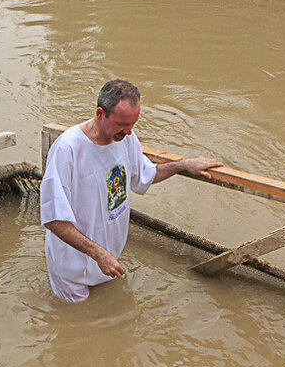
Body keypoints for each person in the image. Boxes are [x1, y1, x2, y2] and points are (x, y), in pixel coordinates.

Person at [40, 79, 221, 302]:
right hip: (73, 265)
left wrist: (182, 165)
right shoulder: (68, 148)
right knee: (76, 320)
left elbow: (145, 175)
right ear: (100, 114)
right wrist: (98, 254)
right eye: (121, 124)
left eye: (132, 124)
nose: (128, 131)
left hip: (108, 259)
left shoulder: (125, 138)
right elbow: (52, 218)